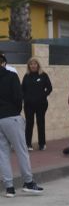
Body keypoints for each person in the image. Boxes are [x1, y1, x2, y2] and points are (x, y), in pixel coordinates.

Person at [0, 52, 42, 197]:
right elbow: (18, 97)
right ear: (3, 62)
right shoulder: (11, 76)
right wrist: (16, 112)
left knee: (2, 154)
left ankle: (9, 187)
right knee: (21, 150)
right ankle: (28, 182)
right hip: (12, 117)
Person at [22, 57, 52, 151]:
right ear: (29, 66)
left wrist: (43, 95)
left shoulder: (43, 75)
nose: (33, 66)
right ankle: (28, 144)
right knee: (29, 124)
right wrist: (25, 98)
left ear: (38, 65)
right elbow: (22, 89)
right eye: (31, 64)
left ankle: (42, 144)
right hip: (29, 105)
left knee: (41, 123)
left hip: (41, 104)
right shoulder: (26, 76)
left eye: (35, 64)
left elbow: (49, 88)